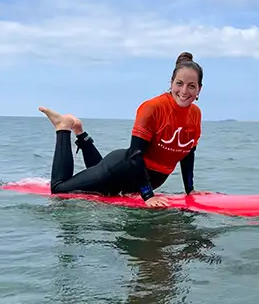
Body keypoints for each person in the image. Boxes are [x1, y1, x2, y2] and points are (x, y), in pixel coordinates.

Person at [39, 52, 206, 208]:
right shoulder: (153, 108)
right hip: (122, 170)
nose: (184, 91)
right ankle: (63, 127)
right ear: (171, 83)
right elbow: (135, 154)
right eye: (179, 83)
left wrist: (190, 190)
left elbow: (188, 153)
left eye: (191, 86)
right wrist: (148, 195)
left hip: (137, 181)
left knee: (97, 171)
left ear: (199, 89)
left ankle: (80, 133)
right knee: (59, 190)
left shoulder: (196, 114)